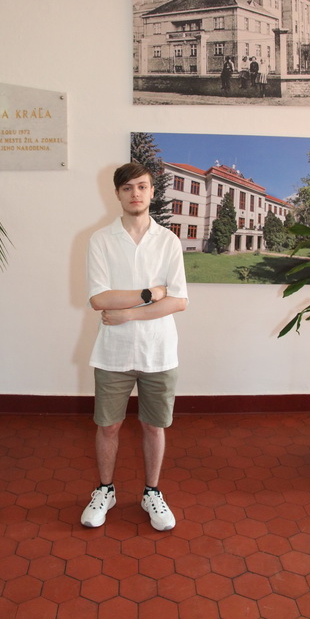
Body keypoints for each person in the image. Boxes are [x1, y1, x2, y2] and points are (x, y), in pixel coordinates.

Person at [81, 162, 188, 532]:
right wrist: (149, 293)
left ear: (152, 191)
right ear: (117, 194)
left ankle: (151, 492)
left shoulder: (168, 241)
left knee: (154, 427)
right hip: (113, 352)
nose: (135, 194)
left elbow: (178, 301)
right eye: (127, 188)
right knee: (108, 426)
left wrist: (128, 313)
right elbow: (99, 299)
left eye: (142, 186)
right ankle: (105, 490)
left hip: (160, 351)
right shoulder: (101, 239)